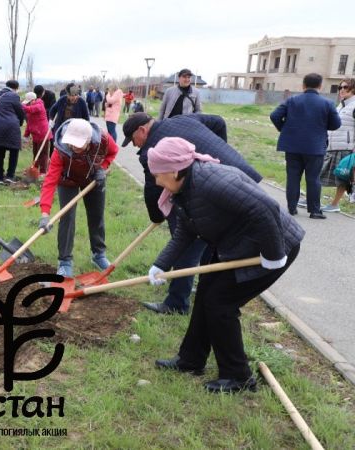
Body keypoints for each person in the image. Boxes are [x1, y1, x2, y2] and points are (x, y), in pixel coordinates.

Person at [147, 137, 304, 393]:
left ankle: (238, 377)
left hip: (272, 246)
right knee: (206, 294)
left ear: (175, 170)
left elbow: (267, 208)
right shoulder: (186, 188)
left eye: (158, 174)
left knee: (220, 304)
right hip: (237, 244)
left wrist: (274, 254)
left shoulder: (212, 181)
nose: (156, 181)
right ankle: (191, 360)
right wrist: (161, 265)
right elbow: (186, 232)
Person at [121, 112, 261, 315]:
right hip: (239, 179)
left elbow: (153, 191)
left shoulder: (152, 152)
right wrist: (219, 152)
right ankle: (204, 287)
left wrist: (157, 216)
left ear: (142, 130)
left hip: (211, 191)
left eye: (133, 140)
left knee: (186, 243)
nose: (135, 146)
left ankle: (176, 303)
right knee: (209, 240)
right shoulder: (182, 119)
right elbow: (219, 121)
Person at [38, 118, 117, 276]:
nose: (73, 147)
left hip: (94, 178)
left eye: (78, 144)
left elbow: (113, 152)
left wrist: (103, 167)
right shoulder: (60, 150)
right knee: (67, 217)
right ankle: (65, 260)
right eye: (71, 143)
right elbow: (50, 181)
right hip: (67, 181)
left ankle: (98, 254)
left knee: (96, 216)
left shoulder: (103, 139)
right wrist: (45, 213)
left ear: (89, 140)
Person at [270, 73, 341, 219]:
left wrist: (284, 129)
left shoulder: (291, 100)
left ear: (303, 85)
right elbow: (336, 124)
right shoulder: (327, 103)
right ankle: (314, 211)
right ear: (320, 86)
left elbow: (274, 115)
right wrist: (321, 126)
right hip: (315, 146)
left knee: (293, 177)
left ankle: (291, 208)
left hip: (292, 146)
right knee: (313, 178)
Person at [319, 79, 355, 213]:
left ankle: (335, 204)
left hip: (346, 148)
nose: (342, 89)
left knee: (342, 178)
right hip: (331, 146)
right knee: (318, 173)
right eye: (340, 87)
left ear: (353, 89)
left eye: (346, 87)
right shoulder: (340, 106)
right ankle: (313, 198)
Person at [0, 80, 26, 184]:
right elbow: (20, 112)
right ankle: (10, 176)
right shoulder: (14, 96)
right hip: (11, 126)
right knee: (14, 151)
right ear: (16, 88)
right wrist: (19, 122)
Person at [22, 91, 51, 174]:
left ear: (33, 100)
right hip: (35, 135)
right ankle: (34, 169)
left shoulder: (39, 105)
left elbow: (30, 109)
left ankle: (43, 172)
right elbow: (29, 123)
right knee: (35, 153)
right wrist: (26, 134)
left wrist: (21, 105)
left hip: (43, 134)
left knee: (43, 154)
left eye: (28, 103)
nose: (27, 104)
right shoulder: (30, 109)